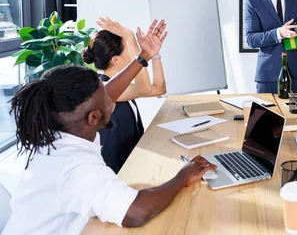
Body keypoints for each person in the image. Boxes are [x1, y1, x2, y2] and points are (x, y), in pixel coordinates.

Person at [3, 20, 216, 234]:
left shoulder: (62, 129)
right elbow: (136, 212)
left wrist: (144, 56)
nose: (111, 94)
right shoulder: (76, 168)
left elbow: (112, 90)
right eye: (105, 95)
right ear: (94, 117)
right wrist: (183, 177)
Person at [82, 17, 166, 173]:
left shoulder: (123, 89)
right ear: (115, 59)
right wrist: (131, 40)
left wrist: (155, 54)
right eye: (128, 48)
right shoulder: (104, 90)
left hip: (134, 165)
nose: (134, 53)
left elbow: (159, 88)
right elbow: (145, 87)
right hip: (119, 175)